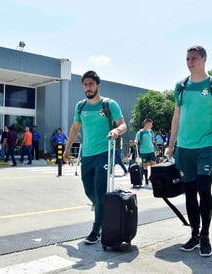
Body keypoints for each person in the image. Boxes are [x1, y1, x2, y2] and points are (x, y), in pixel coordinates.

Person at [166, 45, 212, 257]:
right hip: (183, 148)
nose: (190, 62)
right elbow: (176, 116)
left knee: (203, 188)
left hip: (206, 145)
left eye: (194, 58)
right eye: (187, 58)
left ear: (204, 59)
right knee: (189, 193)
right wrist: (171, 144)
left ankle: (205, 236)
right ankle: (194, 234)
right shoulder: (181, 86)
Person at [63, 70, 127, 245]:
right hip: (87, 154)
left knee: (99, 191)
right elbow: (75, 128)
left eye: (91, 84)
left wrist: (116, 130)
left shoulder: (109, 104)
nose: (88, 87)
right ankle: (103, 206)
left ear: (98, 85)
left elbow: (123, 125)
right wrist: (68, 148)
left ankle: (96, 229)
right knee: (88, 190)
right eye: (85, 84)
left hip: (105, 153)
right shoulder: (81, 106)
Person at [134, 118, 157, 184]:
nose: (151, 125)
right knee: (145, 165)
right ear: (146, 124)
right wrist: (136, 141)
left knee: (154, 164)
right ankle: (146, 179)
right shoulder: (140, 132)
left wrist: (156, 148)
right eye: (150, 124)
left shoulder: (151, 132)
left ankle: (152, 177)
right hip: (143, 151)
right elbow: (136, 139)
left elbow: (153, 141)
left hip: (151, 150)